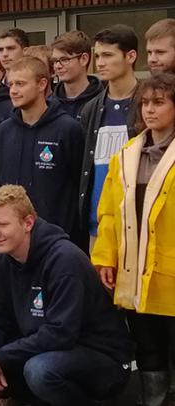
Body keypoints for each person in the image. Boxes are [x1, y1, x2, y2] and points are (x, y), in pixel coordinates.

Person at [0, 185, 133, 406]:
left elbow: (61, 333)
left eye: (2, 224)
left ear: (28, 222)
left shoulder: (64, 259)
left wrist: (0, 357)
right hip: (54, 352)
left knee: (39, 371)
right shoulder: (1, 261)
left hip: (105, 360)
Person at [91, 73, 175, 406]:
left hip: (170, 274)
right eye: (146, 103)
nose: (151, 109)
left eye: (160, 102)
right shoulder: (126, 154)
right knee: (150, 351)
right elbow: (108, 213)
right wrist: (105, 257)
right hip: (136, 275)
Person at [0, 57, 84, 239]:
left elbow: (79, 185)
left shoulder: (67, 129)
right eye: (11, 85)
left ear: (42, 84)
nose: (13, 91)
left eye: (20, 84)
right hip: (14, 238)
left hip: (58, 239)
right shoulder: (4, 131)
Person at [78, 24, 139, 252]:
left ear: (130, 56)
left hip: (136, 223)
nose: (100, 63)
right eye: (97, 56)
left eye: (108, 55)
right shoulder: (91, 109)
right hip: (97, 227)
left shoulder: (149, 104)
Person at [50, 31, 104, 119]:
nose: (58, 66)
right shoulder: (49, 105)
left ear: (84, 59)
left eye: (64, 59)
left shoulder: (102, 102)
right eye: (55, 61)